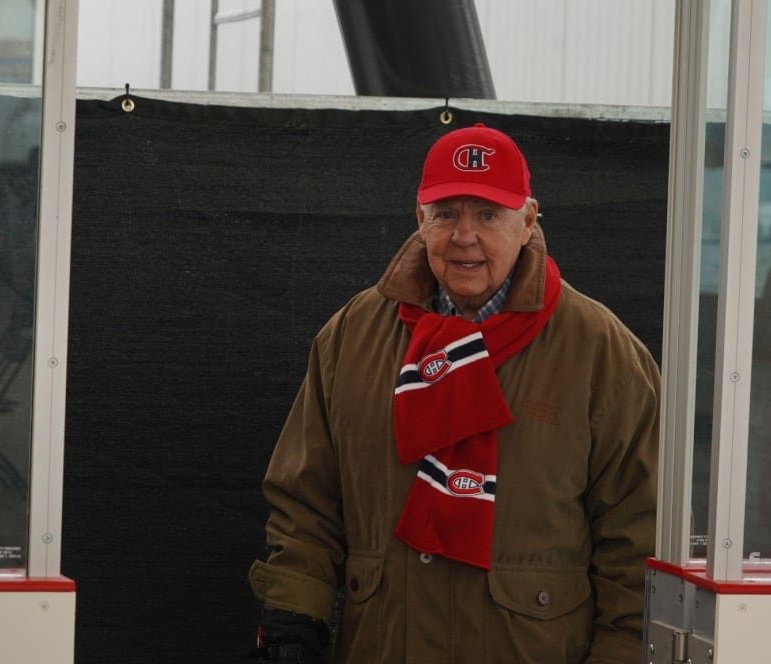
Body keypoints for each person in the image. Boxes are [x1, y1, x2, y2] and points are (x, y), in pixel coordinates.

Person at [248, 123, 660, 663]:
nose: (464, 236)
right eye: (445, 213)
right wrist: (292, 619)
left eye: (488, 214)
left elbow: (638, 534)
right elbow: (307, 501)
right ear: (420, 220)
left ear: (528, 220)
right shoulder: (350, 337)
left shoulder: (601, 350)